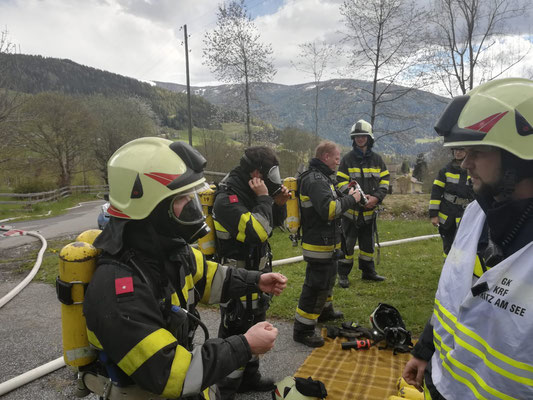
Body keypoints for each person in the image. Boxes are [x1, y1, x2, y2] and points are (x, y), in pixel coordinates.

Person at [83, 137, 288, 400]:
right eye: (182, 199)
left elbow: (211, 277)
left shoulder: (167, 251)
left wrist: (256, 281)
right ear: (152, 208)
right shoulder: (119, 290)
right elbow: (170, 373)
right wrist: (244, 345)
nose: (193, 207)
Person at [402, 78, 533, 399]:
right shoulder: (476, 214)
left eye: (478, 151)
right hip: (443, 383)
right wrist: (424, 349)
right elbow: (453, 293)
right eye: (463, 151)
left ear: (519, 158)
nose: (465, 163)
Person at [212, 146, 290, 399]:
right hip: (235, 280)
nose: (271, 180)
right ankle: (225, 388)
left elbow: (272, 224)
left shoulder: (250, 191)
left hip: (256, 277)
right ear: (256, 172)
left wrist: (277, 204)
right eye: (269, 174)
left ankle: (249, 378)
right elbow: (256, 231)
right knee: (235, 331)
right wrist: (265, 198)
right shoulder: (228, 198)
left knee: (256, 325)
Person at [293, 140, 361, 348]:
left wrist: (347, 195)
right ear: (325, 157)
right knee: (315, 286)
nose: (338, 162)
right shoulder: (315, 180)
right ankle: (303, 329)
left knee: (328, 278)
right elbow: (329, 210)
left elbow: (332, 199)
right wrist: (354, 199)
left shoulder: (323, 178)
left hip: (328, 243)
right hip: (318, 245)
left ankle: (325, 310)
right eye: (336, 158)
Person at [336, 120, 390, 287]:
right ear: (354, 139)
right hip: (350, 213)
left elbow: (385, 181)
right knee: (347, 244)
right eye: (357, 137)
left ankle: (368, 272)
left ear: (369, 138)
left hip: (369, 212)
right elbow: (340, 183)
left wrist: (375, 198)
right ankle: (343, 274)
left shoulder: (377, 160)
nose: (360, 139)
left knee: (368, 245)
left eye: (363, 136)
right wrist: (356, 197)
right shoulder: (347, 160)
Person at [429, 147, 474, 255]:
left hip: (467, 215)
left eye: (461, 150)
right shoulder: (445, 170)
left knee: (466, 248)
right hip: (448, 217)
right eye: (455, 150)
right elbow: (435, 193)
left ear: (468, 151)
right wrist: (433, 215)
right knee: (448, 247)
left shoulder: (473, 169)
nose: (457, 152)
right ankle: (447, 268)